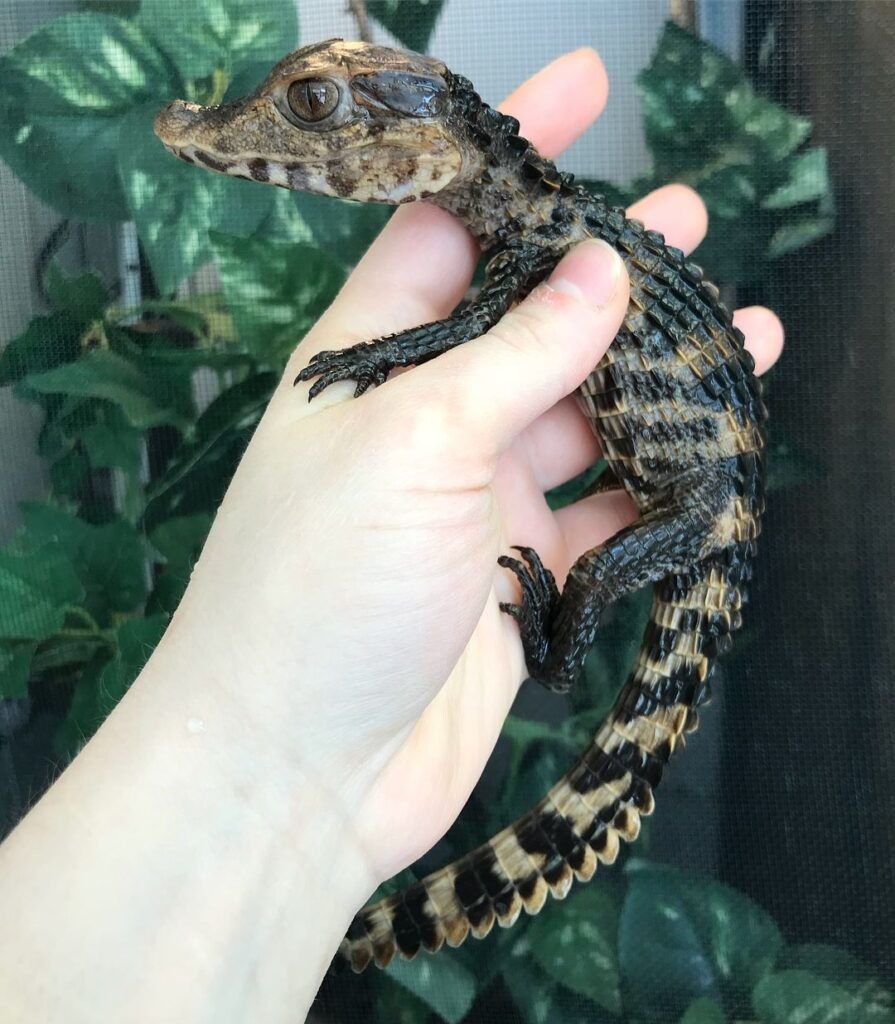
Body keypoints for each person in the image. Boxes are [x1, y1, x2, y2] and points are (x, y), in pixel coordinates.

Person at [0, 47, 783, 1022]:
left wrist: (380, 355)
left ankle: (549, 645)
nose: (286, 125)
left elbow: (463, 334)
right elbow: (470, 325)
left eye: (317, 106)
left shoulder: (542, 235)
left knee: (597, 604)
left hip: (704, 496)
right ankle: (368, 921)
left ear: (430, 133)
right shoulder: (528, 226)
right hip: (690, 441)